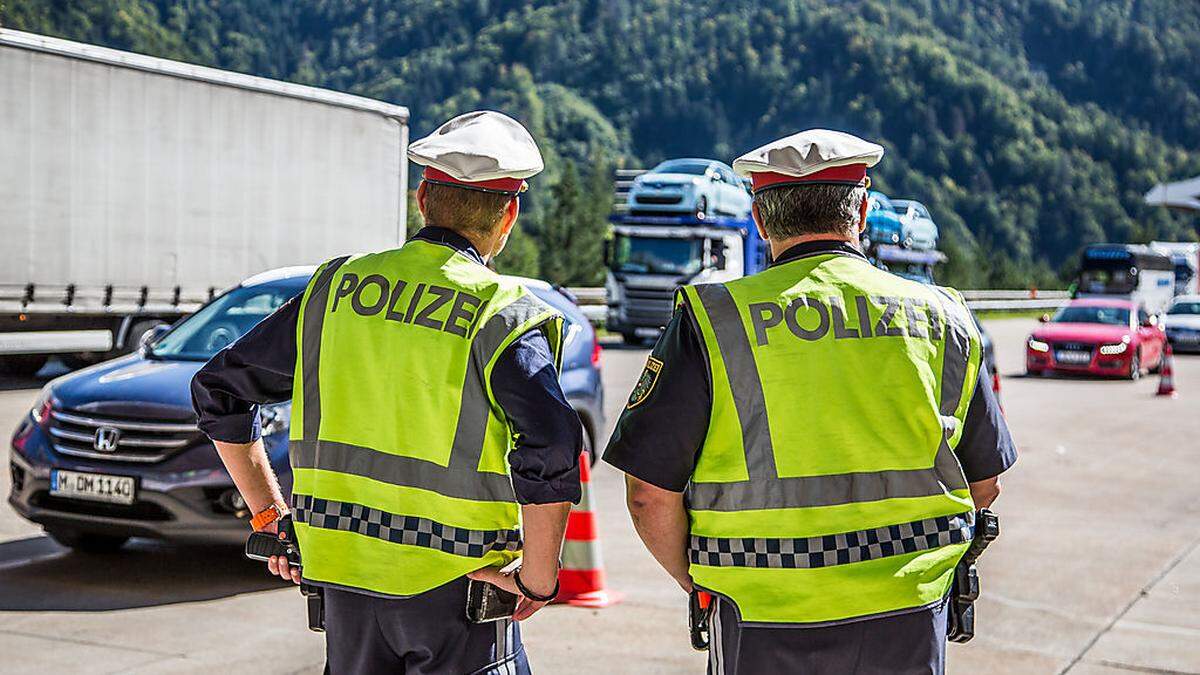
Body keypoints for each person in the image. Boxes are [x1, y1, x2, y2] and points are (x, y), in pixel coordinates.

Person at [604, 129, 1016, 673]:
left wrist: (699, 580)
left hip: (756, 614)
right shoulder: (943, 315)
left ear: (758, 217)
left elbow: (647, 496)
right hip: (909, 613)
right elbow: (985, 482)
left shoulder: (713, 320)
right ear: (862, 210)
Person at [191, 110, 582, 674]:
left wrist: (269, 518)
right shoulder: (504, 314)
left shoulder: (334, 289)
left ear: (423, 198)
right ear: (509, 214)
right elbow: (550, 450)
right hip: (460, 597)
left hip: (343, 591)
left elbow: (218, 391)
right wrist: (539, 581)